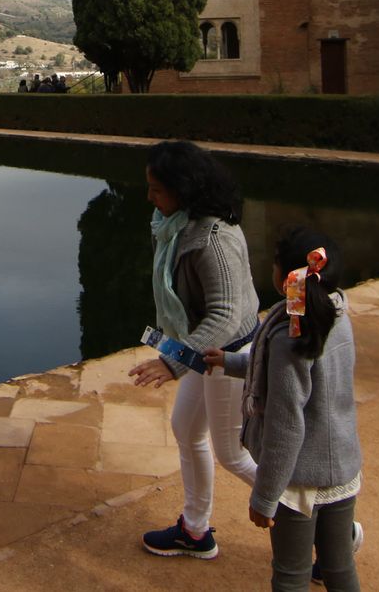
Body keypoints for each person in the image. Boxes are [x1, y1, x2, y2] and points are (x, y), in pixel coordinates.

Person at [206, 228, 364, 592]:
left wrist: (264, 497)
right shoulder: (336, 317)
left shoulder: (290, 335)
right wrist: (230, 362)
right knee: (339, 567)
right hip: (342, 468)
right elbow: (295, 375)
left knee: (291, 575)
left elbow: (285, 426)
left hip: (299, 481)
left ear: (285, 277)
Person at [129, 140, 259, 561]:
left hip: (227, 356)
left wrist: (173, 361)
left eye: (157, 189)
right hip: (203, 353)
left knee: (233, 454)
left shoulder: (213, 240)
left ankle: (331, 524)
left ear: (184, 190)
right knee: (186, 429)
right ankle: (194, 528)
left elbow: (224, 316)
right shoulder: (177, 225)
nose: (149, 197)